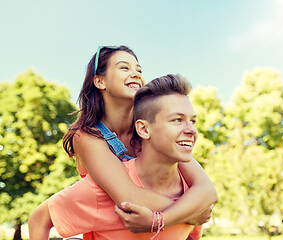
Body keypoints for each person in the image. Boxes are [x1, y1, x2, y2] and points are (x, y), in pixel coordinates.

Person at [28, 46, 217, 239]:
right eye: (124, 68)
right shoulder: (87, 135)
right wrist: (190, 211)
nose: (135, 74)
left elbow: (206, 189)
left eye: (139, 70)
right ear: (100, 81)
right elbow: (128, 196)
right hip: (109, 221)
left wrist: (172, 217)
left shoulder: (154, 130)